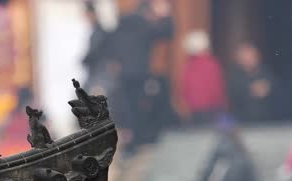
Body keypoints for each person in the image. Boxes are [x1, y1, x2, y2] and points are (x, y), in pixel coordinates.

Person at [108, 0, 173, 153]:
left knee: (128, 107)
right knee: (141, 106)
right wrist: (166, 14)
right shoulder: (144, 25)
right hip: (140, 73)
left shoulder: (121, 25)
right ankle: (140, 140)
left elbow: (110, 46)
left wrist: (116, 62)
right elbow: (167, 32)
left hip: (123, 74)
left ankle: (130, 142)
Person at [179, 30, 227, 125]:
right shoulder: (212, 63)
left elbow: (185, 89)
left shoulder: (189, 65)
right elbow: (217, 88)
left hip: (196, 110)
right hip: (213, 109)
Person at [227, 42, 279, 123]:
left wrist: (268, 88)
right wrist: (250, 90)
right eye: (247, 57)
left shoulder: (265, 71)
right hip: (244, 121)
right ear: (240, 59)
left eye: (253, 56)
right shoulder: (235, 75)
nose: (250, 59)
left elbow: (277, 88)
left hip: (267, 121)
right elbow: (233, 94)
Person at [81, 1, 115, 95]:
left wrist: (85, 60)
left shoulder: (99, 32)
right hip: (96, 72)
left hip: (99, 73)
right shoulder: (96, 31)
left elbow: (95, 51)